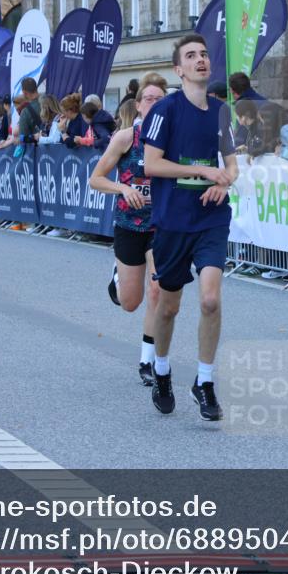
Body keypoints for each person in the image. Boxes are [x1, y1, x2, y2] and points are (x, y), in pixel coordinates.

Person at [140, 33, 238, 420]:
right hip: (173, 220)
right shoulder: (165, 109)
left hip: (211, 219)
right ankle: (162, 370)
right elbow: (151, 165)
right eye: (191, 56)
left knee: (210, 299)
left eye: (204, 55)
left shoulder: (221, 110)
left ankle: (205, 381)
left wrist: (223, 181)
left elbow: (231, 163)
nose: (201, 60)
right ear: (179, 69)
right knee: (168, 307)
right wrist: (199, 169)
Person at [90, 82, 168, 385]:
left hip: (161, 227)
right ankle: (118, 276)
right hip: (128, 225)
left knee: (157, 290)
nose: (153, 103)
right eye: (148, 99)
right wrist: (122, 187)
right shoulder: (125, 138)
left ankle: (147, 361)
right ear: (138, 105)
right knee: (130, 302)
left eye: (160, 99)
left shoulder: (170, 140)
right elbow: (95, 179)